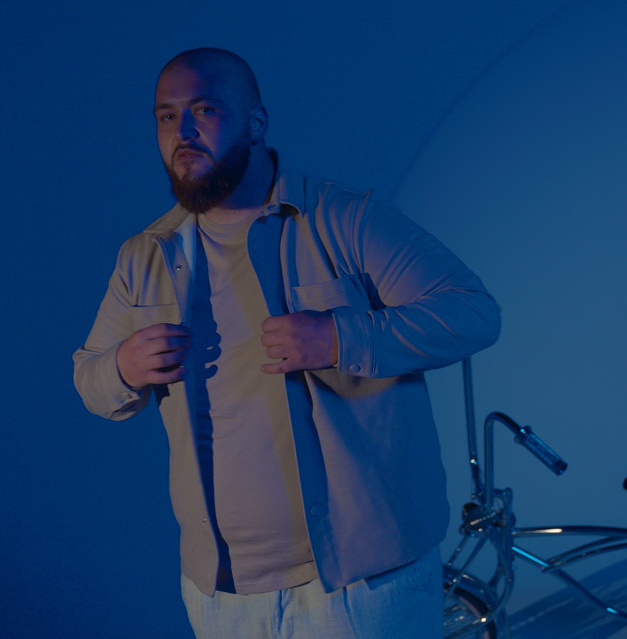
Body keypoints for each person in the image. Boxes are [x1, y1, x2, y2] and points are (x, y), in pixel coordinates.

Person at [73, 47, 501, 638]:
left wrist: (340, 337)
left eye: (204, 110)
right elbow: (90, 380)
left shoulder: (344, 218)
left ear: (256, 122)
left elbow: (473, 312)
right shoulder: (145, 256)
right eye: (166, 116)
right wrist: (122, 365)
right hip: (222, 594)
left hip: (363, 586)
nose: (182, 132)